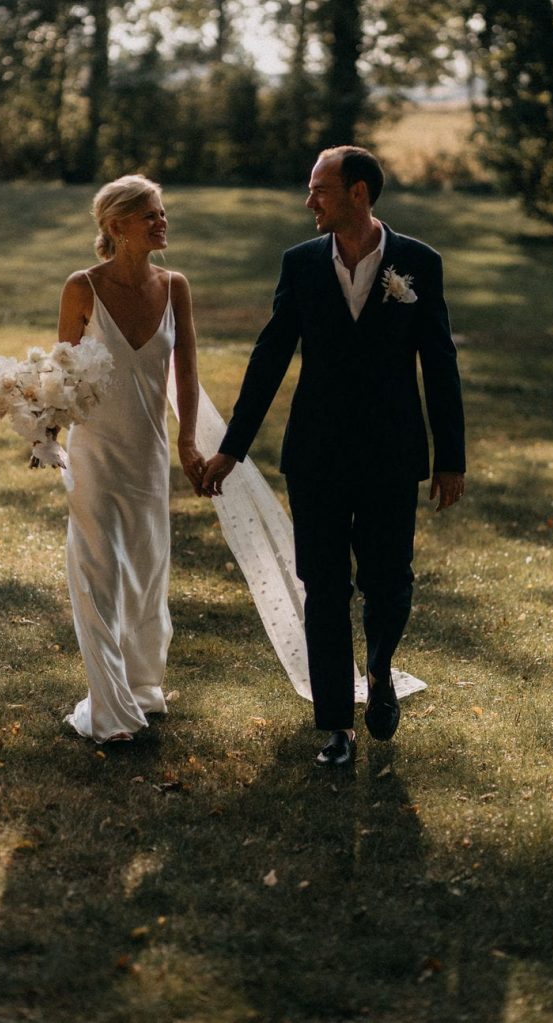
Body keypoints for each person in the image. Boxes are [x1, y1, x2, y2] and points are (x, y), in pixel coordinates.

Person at [202, 146, 465, 767]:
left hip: (391, 456)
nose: (309, 200)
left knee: (388, 582)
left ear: (358, 194)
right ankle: (336, 728)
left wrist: (450, 457)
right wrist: (232, 448)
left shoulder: (418, 263)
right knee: (322, 587)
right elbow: (270, 357)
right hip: (316, 454)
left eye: (319, 189)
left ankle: (379, 671)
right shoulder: (300, 264)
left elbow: (441, 364)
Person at [57, 174, 205, 743]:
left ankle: (144, 688)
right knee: (98, 576)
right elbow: (60, 374)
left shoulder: (176, 286)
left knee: (146, 573)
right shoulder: (81, 288)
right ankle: (111, 709)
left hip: (149, 453)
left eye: (162, 212)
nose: (162, 221)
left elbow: (187, 373)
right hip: (93, 453)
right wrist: (45, 434)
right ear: (116, 226)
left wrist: (188, 442)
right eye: (150, 215)